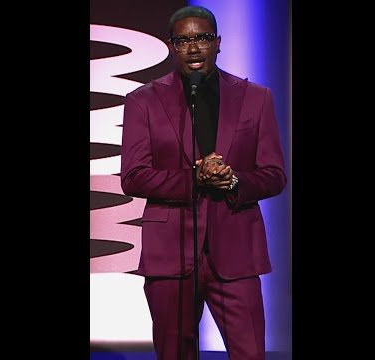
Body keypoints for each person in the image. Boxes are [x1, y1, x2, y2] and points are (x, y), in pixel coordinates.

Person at [120, 5, 287, 360]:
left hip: (236, 253)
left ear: (218, 43)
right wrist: (193, 179)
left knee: (251, 354)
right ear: (172, 45)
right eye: (184, 40)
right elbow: (133, 176)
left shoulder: (256, 98)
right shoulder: (142, 101)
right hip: (171, 254)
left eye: (202, 38)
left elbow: (275, 175)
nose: (193, 47)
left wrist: (233, 180)